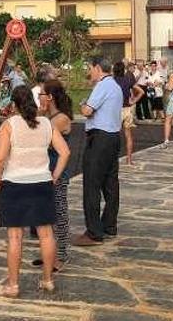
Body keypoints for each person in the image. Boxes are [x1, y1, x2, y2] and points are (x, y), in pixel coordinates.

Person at [0, 85, 70, 297]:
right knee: (47, 234)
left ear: (14, 104)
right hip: (42, 183)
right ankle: (47, 280)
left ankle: (14, 285)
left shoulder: (9, 125)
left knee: (15, 237)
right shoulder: (46, 123)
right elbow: (65, 152)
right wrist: (54, 176)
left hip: (15, 184)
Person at [73, 57, 123, 246]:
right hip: (113, 137)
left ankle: (94, 232)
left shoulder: (102, 86)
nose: (90, 72)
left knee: (92, 185)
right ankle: (109, 225)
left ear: (97, 67)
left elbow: (87, 111)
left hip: (100, 138)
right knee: (110, 184)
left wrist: (83, 105)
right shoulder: (116, 86)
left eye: (90, 68)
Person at [32, 79, 73, 272]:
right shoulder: (47, 117)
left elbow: (42, 140)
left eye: (41, 94)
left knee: (59, 213)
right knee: (46, 215)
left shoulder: (61, 119)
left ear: (49, 97)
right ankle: (49, 253)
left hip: (57, 173)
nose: (38, 98)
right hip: (44, 172)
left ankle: (62, 255)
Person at [114, 61, 144, 163]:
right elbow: (141, 91)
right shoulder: (127, 80)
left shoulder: (112, 81)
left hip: (116, 110)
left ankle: (113, 158)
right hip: (127, 109)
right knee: (128, 136)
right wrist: (133, 101)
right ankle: (129, 159)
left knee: (113, 135)